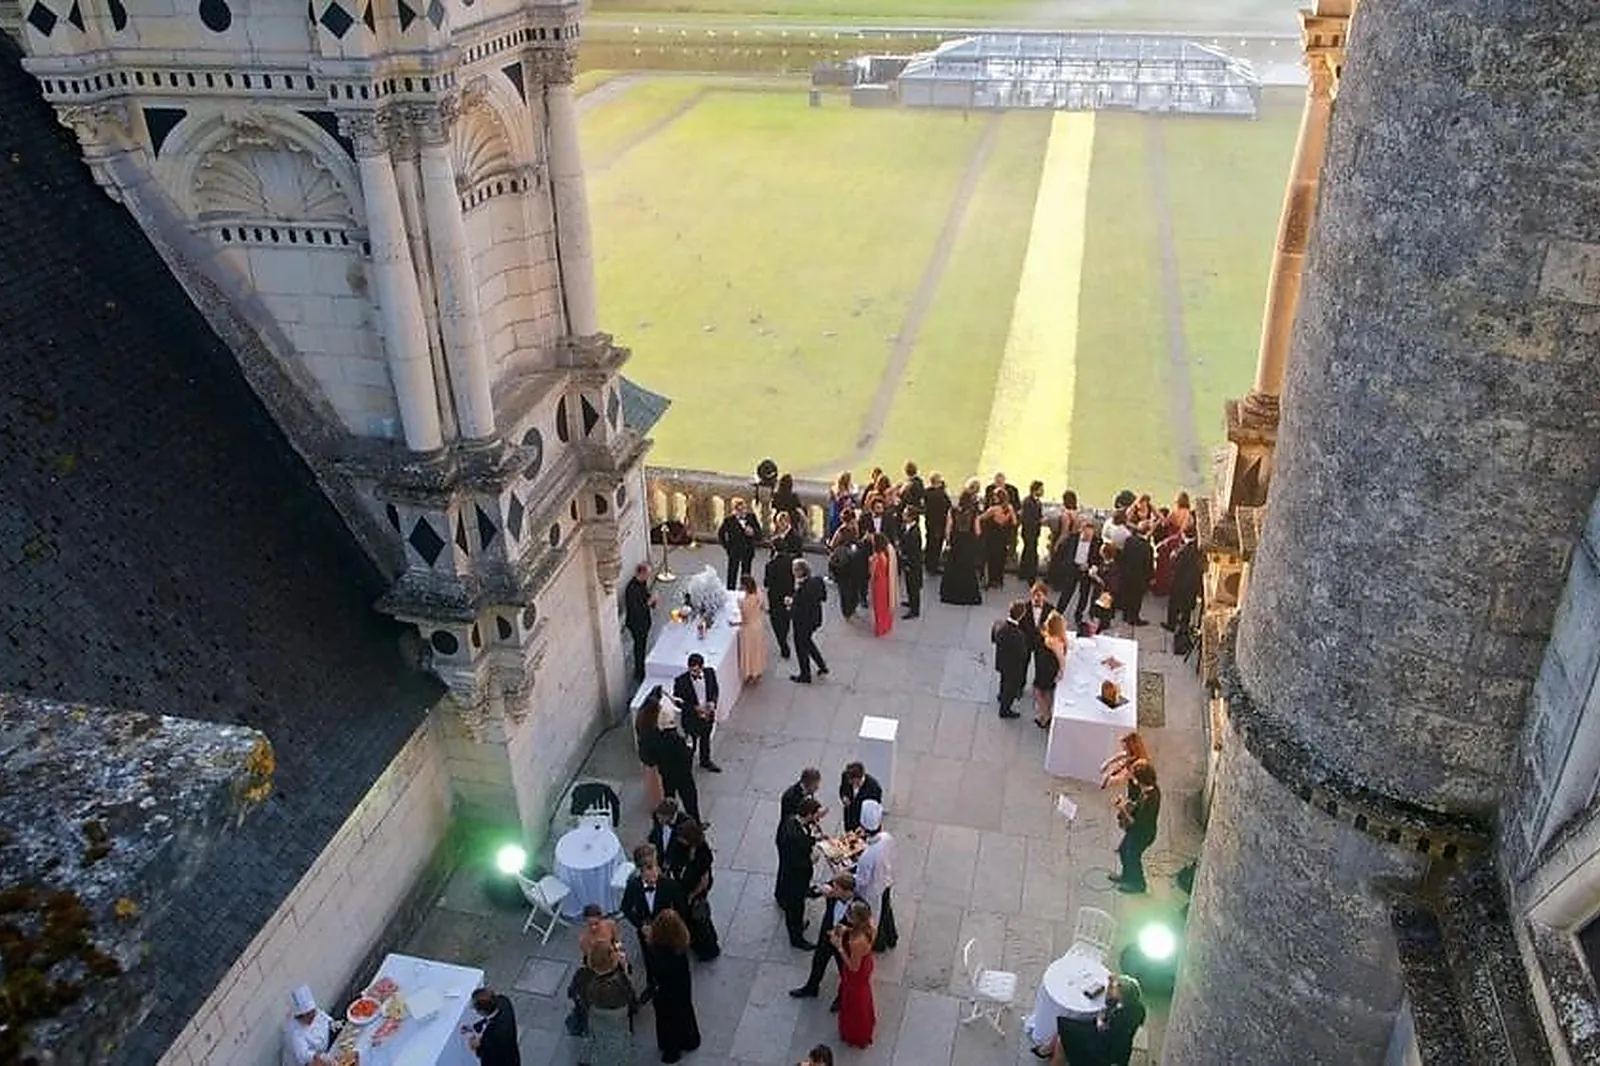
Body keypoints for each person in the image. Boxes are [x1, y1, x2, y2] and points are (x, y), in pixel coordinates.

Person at [620, 845, 686, 1003]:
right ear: (640, 870)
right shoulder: (634, 886)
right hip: (646, 934)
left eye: (655, 866)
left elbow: (682, 909)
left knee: (670, 961)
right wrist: (640, 925)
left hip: (667, 933)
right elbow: (625, 908)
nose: (655, 871)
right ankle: (652, 985)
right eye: (650, 868)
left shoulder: (670, 885)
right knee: (649, 960)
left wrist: (670, 923)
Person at [789, 871, 857, 1007]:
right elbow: (814, 892)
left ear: (846, 891)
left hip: (843, 944)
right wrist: (818, 889)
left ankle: (842, 996)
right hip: (826, 935)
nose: (833, 889)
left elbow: (861, 929)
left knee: (844, 971)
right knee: (818, 961)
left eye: (836, 888)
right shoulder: (833, 894)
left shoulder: (857, 907)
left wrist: (843, 936)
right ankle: (811, 987)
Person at [645, 911, 701, 1063]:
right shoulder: (680, 945)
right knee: (684, 1012)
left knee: (667, 1019)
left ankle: (672, 1049)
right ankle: (689, 1041)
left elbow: (654, 972)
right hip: (681, 986)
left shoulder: (655, 951)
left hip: (665, 991)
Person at [572, 941, 635, 1066]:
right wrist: (626, 970)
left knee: (596, 1038)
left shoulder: (583, 976)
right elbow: (631, 997)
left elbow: (578, 996)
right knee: (617, 1046)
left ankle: (588, 1059)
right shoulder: (617, 982)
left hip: (595, 1016)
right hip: (617, 1021)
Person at [776, 797, 824, 949]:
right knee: (796, 908)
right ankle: (797, 939)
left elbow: (804, 839)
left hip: (796, 877)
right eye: (816, 815)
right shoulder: (793, 836)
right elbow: (795, 863)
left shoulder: (793, 821)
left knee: (798, 906)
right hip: (794, 880)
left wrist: (813, 840)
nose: (818, 818)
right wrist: (812, 860)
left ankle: (798, 925)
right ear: (809, 814)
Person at [853, 799, 897, 952]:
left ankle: (879, 944)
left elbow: (862, 881)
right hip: (886, 882)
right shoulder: (887, 838)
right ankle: (892, 937)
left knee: (874, 919)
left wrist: (846, 875)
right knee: (886, 910)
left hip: (872, 892)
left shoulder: (867, 856)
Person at [674, 819, 720, 961]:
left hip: (696, 893)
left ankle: (708, 949)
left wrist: (692, 896)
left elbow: (704, 880)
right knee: (691, 920)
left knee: (700, 920)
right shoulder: (684, 848)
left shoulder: (703, 853)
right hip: (685, 888)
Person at [1112, 761, 1161, 894]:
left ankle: (1138, 885)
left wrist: (1123, 809)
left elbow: (1136, 823)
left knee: (1133, 858)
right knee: (1123, 851)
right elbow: (1136, 802)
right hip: (1137, 832)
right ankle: (1126, 876)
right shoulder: (1150, 789)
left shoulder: (1151, 800)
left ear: (1141, 781)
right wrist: (1127, 804)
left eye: (1135, 778)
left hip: (1142, 835)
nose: (1133, 779)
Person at [833, 899, 877, 1049]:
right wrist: (846, 930)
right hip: (867, 964)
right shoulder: (870, 925)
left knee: (854, 1002)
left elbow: (853, 967)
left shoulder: (856, 942)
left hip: (856, 976)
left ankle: (856, 1033)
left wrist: (839, 946)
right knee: (863, 996)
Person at [672, 653, 721, 773]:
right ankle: (685, 765)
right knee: (690, 745)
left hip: (707, 714)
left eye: (697, 670)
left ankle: (705, 761)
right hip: (691, 718)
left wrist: (713, 702)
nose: (694, 673)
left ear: (702, 667)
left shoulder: (710, 673)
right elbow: (678, 702)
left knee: (705, 740)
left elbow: (715, 690)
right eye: (691, 670)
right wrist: (694, 708)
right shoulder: (681, 681)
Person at [939, 483, 983, 605]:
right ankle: (968, 596)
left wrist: (948, 542)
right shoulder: (974, 512)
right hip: (968, 543)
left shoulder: (952, 511)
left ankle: (951, 595)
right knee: (968, 569)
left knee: (953, 568)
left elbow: (948, 529)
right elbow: (978, 530)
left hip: (956, 543)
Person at [655, 705, 700, 822]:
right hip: (683, 776)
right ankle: (695, 823)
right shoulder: (677, 739)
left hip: (667, 775)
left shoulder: (658, 738)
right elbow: (686, 757)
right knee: (690, 801)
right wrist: (690, 746)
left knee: (670, 799)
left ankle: (669, 821)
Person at [788, 557, 829, 683]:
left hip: (802, 623)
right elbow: (823, 597)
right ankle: (822, 666)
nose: (793, 572)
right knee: (808, 642)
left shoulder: (803, 589)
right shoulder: (817, 581)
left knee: (801, 648)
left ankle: (805, 675)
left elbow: (798, 608)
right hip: (815, 619)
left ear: (800, 572)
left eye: (794, 570)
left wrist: (790, 604)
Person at [281, 984, 336, 1066]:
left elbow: (325, 1019)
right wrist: (322, 1058)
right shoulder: (294, 1033)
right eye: (308, 1015)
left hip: (324, 1054)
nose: (312, 1017)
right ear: (299, 1016)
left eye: (312, 1013)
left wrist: (333, 1024)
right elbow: (306, 1057)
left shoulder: (315, 1013)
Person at [992, 600, 1030, 719]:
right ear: (1021, 615)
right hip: (1013, 666)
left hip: (1002, 661)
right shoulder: (1018, 635)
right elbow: (1023, 654)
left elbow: (994, 639)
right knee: (1011, 688)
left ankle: (1001, 696)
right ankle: (1005, 709)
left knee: (1003, 680)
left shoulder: (1000, 626)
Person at [464, 987, 520, 1066]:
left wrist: (476, 1046)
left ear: (482, 1012)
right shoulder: (504, 1002)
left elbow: (486, 1054)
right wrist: (476, 1027)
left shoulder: (493, 1036)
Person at [718, 496, 763, 590]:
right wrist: (727, 547)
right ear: (735, 510)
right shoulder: (729, 520)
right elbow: (721, 534)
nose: (743, 511)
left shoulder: (751, 517)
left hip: (748, 550)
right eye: (740, 510)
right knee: (732, 573)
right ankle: (731, 591)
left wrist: (753, 532)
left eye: (744, 508)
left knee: (746, 573)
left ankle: (745, 590)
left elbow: (759, 533)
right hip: (734, 550)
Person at [1165, 527, 1203, 635]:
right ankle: (1184, 626)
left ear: (1184, 535)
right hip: (1193, 582)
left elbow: (1176, 566)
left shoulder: (1183, 550)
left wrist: (1173, 556)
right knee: (1187, 607)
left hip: (1180, 582)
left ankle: (1171, 624)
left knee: (1174, 604)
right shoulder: (1197, 546)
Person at [623, 562, 657, 683]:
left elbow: (646, 596)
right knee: (639, 647)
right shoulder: (631, 589)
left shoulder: (642, 583)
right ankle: (639, 672)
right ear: (641, 573)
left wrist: (652, 600)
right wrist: (649, 602)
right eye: (647, 574)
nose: (648, 577)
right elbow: (636, 609)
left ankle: (641, 667)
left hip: (644, 621)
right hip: (636, 624)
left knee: (642, 646)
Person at [1033, 612, 1068, 729]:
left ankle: (1045, 715)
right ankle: (1046, 714)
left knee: (1038, 692)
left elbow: (1061, 658)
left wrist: (1060, 673)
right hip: (1046, 667)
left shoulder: (1052, 641)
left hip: (1046, 670)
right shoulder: (1059, 637)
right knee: (1047, 692)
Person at [826, 509, 863, 619]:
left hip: (842, 563)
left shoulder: (840, 531)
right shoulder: (856, 529)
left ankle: (846, 610)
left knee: (844, 588)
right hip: (854, 561)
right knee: (854, 586)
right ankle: (853, 606)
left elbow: (832, 545)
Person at [1118, 521, 1155, 626]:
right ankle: (1134, 618)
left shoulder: (1129, 540)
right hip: (1139, 579)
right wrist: (1150, 578)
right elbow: (1148, 566)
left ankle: (1126, 615)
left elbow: (1124, 556)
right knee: (1136, 600)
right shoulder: (1148, 548)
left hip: (1126, 574)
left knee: (1127, 596)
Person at [635, 690, 666, 811]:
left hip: (645, 755)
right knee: (654, 782)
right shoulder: (651, 731)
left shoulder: (642, 720)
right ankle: (656, 805)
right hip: (651, 758)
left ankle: (655, 802)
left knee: (650, 779)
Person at [737, 573, 769, 683]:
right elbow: (763, 608)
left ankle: (750, 673)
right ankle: (758, 671)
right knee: (757, 650)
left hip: (749, 629)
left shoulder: (744, 602)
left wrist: (735, 624)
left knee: (749, 652)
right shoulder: (759, 593)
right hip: (758, 625)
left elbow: (744, 619)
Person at [648, 798, 690, 876]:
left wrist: (669, 860)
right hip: (662, 853)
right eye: (659, 817)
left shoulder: (684, 823)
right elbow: (655, 833)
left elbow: (681, 845)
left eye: (662, 818)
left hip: (678, 857)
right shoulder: (657, 818)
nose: (659, 820)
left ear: (670, 816)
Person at [838, 762, 883, 833]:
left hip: (863, 825)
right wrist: (844, 797)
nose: (849, 782)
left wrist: (865, 828)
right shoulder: (845, 776)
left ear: (857, 778)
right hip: (850, 820)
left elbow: (874, 813)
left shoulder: (873, 789)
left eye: (851, 780)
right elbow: (843, 789)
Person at [897, 504, 924, 619]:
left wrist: (907, 561)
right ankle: (911, 602)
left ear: (911, 517)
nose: (903, 514)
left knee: (914, 586)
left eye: (905, 513)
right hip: (908, 561)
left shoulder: (915, 532)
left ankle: (915, 609)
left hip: (913, 563)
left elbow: (913, 550)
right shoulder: (906, 527)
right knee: (909, 584)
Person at [922, 472, 951, 574]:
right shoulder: (941, 494)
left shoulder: (927, 492)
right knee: (936, 545)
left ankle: (928, 564)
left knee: (930, 543)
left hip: (929, 522)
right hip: (939, 523)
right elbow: (948, 505)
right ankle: (933, 566)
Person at [868, 533, 896, 638]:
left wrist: (870, 562)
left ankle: (880, 628)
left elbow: (872, 572)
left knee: (878, 607)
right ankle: (886, 626)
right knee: (884, 606)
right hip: (885, 582)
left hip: (878, 584)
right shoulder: (886, 554)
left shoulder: (876, 556)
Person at [1018, 480, 1046, 584]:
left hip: (1033, 532)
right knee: (1031, 554)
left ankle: (1023, 573)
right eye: (1041, 489)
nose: (1043, 491)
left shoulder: (1036, 501)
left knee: (1027, 552)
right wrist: (1040, 521)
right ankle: (1031, 577)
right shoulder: (1028, 502)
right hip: (1029, 532)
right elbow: (1027, 519)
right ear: (1036, 490)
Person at [825, 471, 856, 537]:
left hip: (841, 514)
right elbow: (838, 500)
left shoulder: (845, 489)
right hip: (838, 514)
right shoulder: (836, 490)